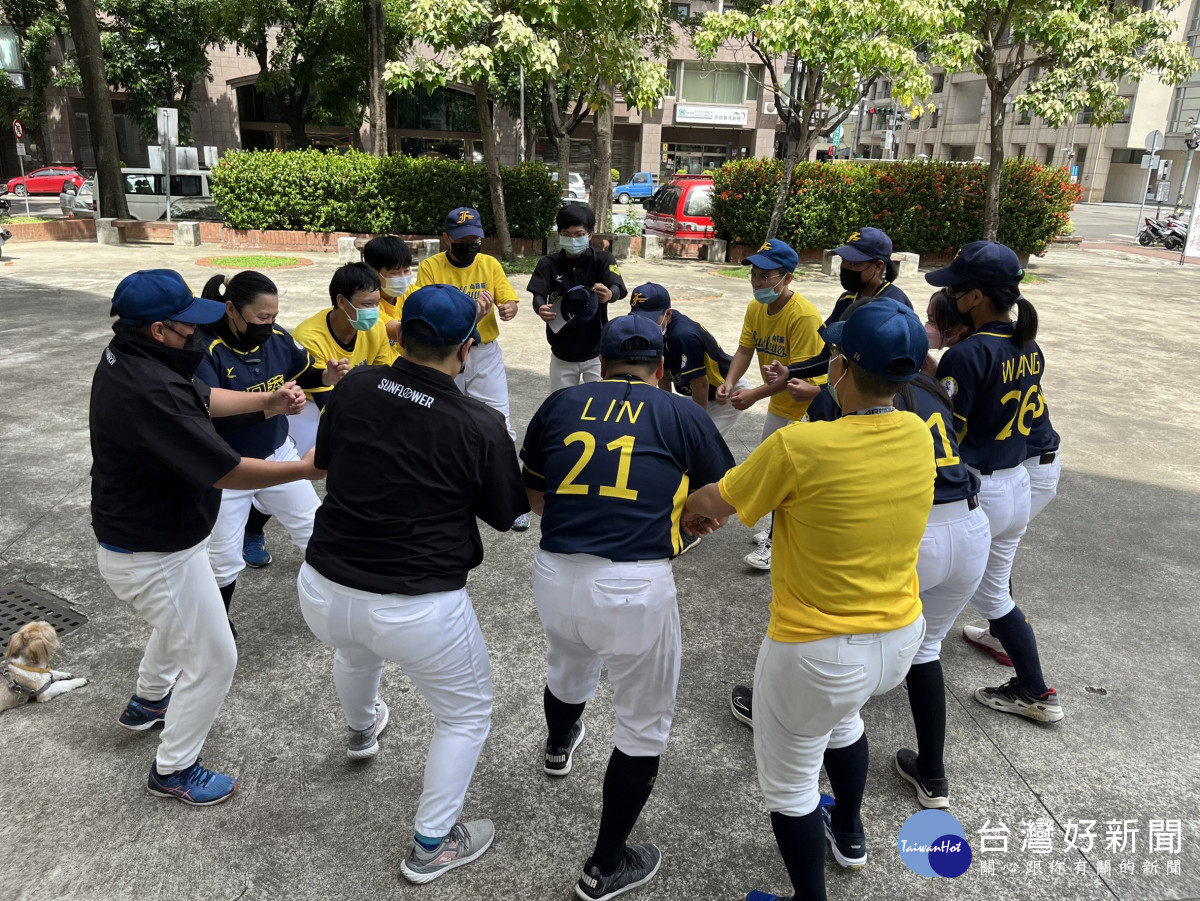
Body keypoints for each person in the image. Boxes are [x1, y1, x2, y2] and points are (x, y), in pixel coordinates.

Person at [684, 299, 933, 901]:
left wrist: (687, 506)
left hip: (815, 650)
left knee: (790, 785)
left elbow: (715, 503)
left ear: (841, 369)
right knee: (844, 721)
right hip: (897, 640)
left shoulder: (801, 446)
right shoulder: (918, 434)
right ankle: (848, 831)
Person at [297, 284, 528, 884]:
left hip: (323, 586)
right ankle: (431, 845)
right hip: (418, 604)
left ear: (403, 332)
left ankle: (360, 729)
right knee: (466, 714)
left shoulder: (352, 385)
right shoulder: (479, 423)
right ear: (467, 348)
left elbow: (325, 460)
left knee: (355, 650)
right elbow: (508, 514)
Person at [520, 315, 734, 901]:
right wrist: (692, 517)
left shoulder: (561, 404)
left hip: (556, 568)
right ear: (660, 368)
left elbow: (536, 496)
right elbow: (724, 497)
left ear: (603, 362)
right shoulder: (681, 412)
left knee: (567, 663)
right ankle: (604, 866)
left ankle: (559, 746)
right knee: (643, 724)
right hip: (636, 584)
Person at [91, 269, 322, 806]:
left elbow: (207, 399)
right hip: (150, 550)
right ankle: (173, 770)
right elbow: (227, 471)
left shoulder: (142, 358)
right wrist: (307, 470)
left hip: (164, 536)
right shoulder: (150, 389)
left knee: (183, 621)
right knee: (215, 657)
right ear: (156, 329)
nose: (197, 334)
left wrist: (265, 405)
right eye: (186, 326)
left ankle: (149, 701)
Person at [927, 241, 1064, 723]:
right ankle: (1035, 690)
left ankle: (898, 665)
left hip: (980, 490)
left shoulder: (965, 355)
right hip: (1016, 486)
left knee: (929, 580)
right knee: (993, 596)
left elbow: (947, 432)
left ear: (977, 298)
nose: (954, 295)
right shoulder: (1028, 343)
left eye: (959, 289)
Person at [194, 271, 344, 634]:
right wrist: (271, 407)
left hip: (277, 452)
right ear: (231, 309)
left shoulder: (277, 338)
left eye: (274, 316)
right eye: (262, 317)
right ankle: (215, 629)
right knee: (222, 560)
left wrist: (328, 375)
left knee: (317, 528)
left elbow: (304, 370)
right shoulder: (203, 348)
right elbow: (207, 410)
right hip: (227, 468)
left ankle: (342, 607)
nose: (270, 324)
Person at [415, 206, 528, 530]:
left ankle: (509, 498)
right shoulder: (431, 267)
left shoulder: (489, 264)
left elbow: (510, 300)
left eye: (475, 238)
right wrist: (471, 316)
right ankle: (438, 493)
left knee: (499, 422)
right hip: (444, 352)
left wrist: (509, 308)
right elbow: (426, 311)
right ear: (447, 238)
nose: (471, 243)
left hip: (483, 352)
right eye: (463, 239)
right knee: (436, 423)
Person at [717, 238, 826, 570]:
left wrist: (753, 395)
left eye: (766, 277)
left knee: (790, 475)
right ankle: (779, 529)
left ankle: (776, 541)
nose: (757, 282)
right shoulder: (756, 308)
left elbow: (797, 379)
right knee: (776, 471)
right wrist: (730, 382)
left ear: (787, 278)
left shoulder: (803, 315)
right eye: (754, 274)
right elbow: (744, 350)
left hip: (807, 404)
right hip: (780, 403)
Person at [626, 282, 749, 440]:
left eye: (651, 319)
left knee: (703, 443)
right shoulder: (654, 330)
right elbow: (662, 372)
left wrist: (697, 423)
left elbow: (701, 384)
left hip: (723, 393)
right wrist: (665, 407)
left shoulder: (682, 336)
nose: (646, 324)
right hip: (694, 389)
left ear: (668, 314)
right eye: (640, 318)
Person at [289, 262, 389, 455]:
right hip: (309, 405)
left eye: (377, 303)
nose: (374, 311)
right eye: (367, 304)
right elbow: (326, 401)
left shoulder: (376, 328)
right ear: (342, 301)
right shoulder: (309, 337)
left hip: (357, 396)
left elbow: (384, 376)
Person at [528, 204, 628, 389]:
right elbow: (538, 294)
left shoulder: (603, 260)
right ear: (559, 234)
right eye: (566, 234)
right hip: (562, 351)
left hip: (596, 351)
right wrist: (540, 308)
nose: (572, 239)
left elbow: (618, 288)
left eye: (579, 234)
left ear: (589, 235)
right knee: (562, 403)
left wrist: (609, 294)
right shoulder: (548, 264)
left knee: (601, 403)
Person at [826, 226, 911, 325]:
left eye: (854, 264)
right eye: (844, 261)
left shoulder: (893, 307)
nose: (846, 268)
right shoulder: (846, 299)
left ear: (878, 266)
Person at [363, 234, 417, 355]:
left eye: (406, 270)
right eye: (395, 273)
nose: (403, 278)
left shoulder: (411, 292)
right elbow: (397, 331)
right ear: (373, 272)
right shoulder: (366, 304)